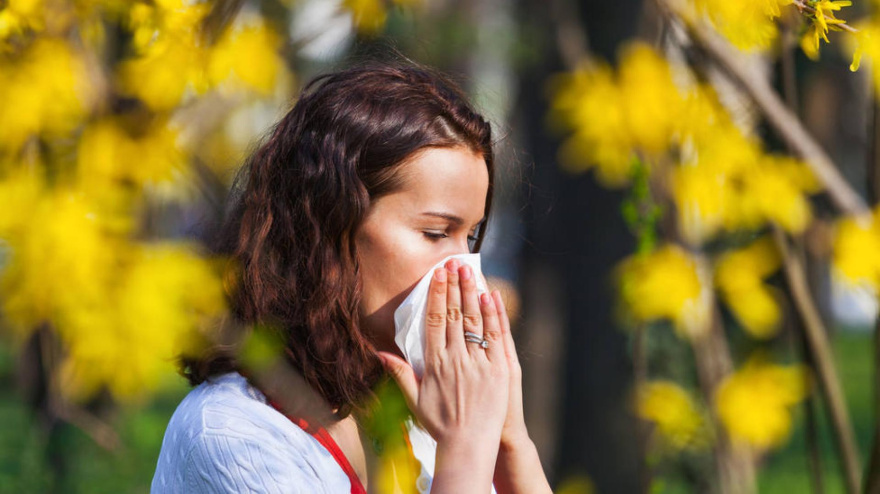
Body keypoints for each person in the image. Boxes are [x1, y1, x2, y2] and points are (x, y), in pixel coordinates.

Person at [151, 60, 552, 493]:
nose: (465, 273)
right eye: (436, 233)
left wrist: (511, 445)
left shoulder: (424, 417)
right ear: (329, 224)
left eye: (470, 238)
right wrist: (467, 448)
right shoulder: (232, 435)